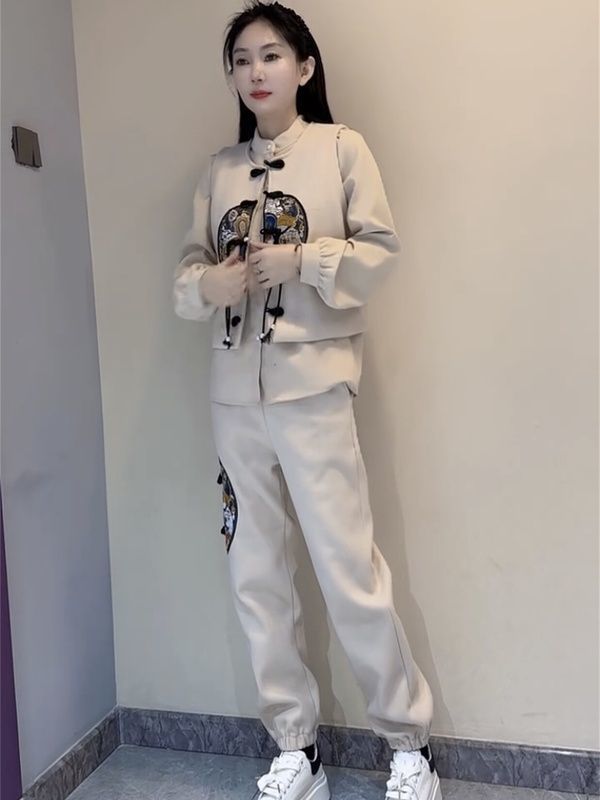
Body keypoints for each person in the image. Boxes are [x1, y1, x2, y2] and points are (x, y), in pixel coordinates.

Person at [173, 3, 442, 798]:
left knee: (347, 567)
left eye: (270, 55)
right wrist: (211, 284)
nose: (255, 72)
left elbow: (380, 252)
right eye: (241, 60)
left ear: (304, 66)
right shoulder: (219, 171)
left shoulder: (340, 148)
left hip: (314, 388)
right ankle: (296, 748)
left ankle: (408, 746)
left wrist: (305, 262)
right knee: (254, 573)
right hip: (233, 397)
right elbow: (186, 275)